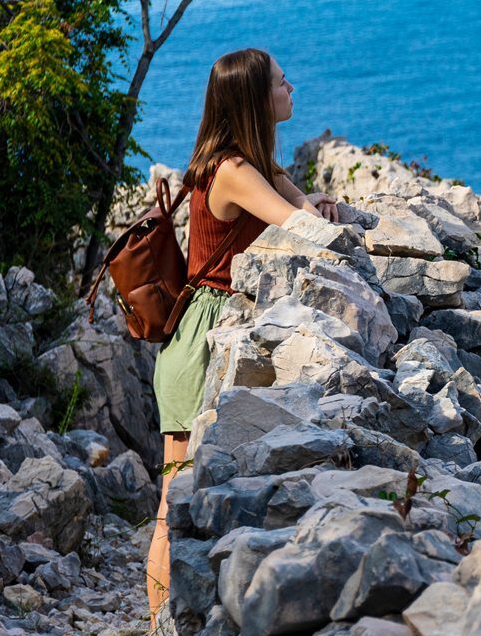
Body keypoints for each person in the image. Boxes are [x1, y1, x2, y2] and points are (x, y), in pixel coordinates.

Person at [145, 47, 339, 628]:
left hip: (213, 336)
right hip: (199, 341)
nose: (291, 88)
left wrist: (318, 206)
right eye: (283, 82)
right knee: (171, 500)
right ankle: (160, 624)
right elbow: (302, 226)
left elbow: (302, 207)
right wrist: (321, 216)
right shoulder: (231, 170)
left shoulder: (255, 164)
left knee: (192, 492)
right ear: (258, 99)